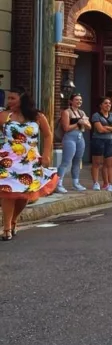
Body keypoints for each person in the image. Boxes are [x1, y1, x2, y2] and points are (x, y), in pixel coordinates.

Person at [0, 89, 58, 240]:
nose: (9, 101)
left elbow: (47, 135)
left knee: (24, 194)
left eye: (13, 98)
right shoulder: (5, 116)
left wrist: (46, 154)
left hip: (30, 159)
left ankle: (14, 220)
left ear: (23, 99)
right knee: (8, 193)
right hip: (8, 159)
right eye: (8, 98)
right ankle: (6, 228)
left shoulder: (37, 116)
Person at [56, 93, 90, 193]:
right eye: (76, 100)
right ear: (71, 101)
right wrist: (78, 123)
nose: (79, 102)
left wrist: (85, 123)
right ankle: (58, 183)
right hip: (69, 138)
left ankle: (76, 182)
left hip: (80, 137)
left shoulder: (82, 112)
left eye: (80, 100)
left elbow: (89, 126)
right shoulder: (66, 112)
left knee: (77, 160)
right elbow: (66, 128)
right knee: (66, 161)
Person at [90, 97, 112, 192]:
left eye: (109, 103)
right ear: (101, 105)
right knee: (97, 163)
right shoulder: (96, 115)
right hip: (98, 140)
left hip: (110, 140)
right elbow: (100, 129)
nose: (108, 105)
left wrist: (107, 127)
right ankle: (95, 182)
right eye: (105, 103)